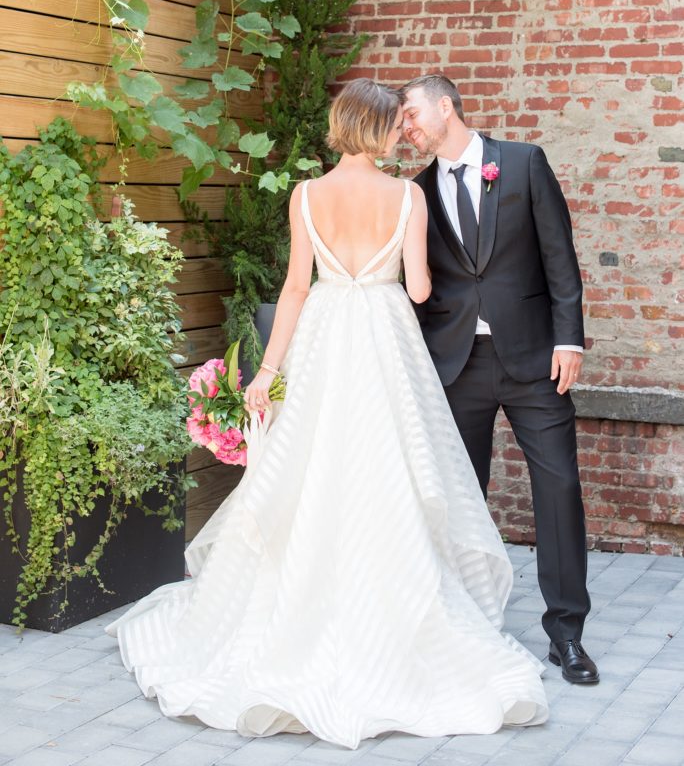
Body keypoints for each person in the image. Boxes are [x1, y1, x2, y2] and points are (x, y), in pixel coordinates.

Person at [106, 78, 548, 749]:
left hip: (320, 336)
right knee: (391, 467)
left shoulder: (305, 196)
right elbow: (422, 287)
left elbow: (292, 287)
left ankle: (300, 607)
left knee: (310, 469)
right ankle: (385, 607)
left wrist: (271, 372)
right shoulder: (408, 195)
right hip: (383, 336)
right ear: (380, 131)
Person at [401, 73, 598, 686]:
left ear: (445, 106)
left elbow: (559, 258)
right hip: (456, 366)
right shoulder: (416, 192)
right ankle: (464, 627)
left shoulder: (523, 163)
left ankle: (567, 635)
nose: (405, 127)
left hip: (537, 359)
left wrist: (569, 338)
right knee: (461, 497)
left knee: (559, 488)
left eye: (410, 114)